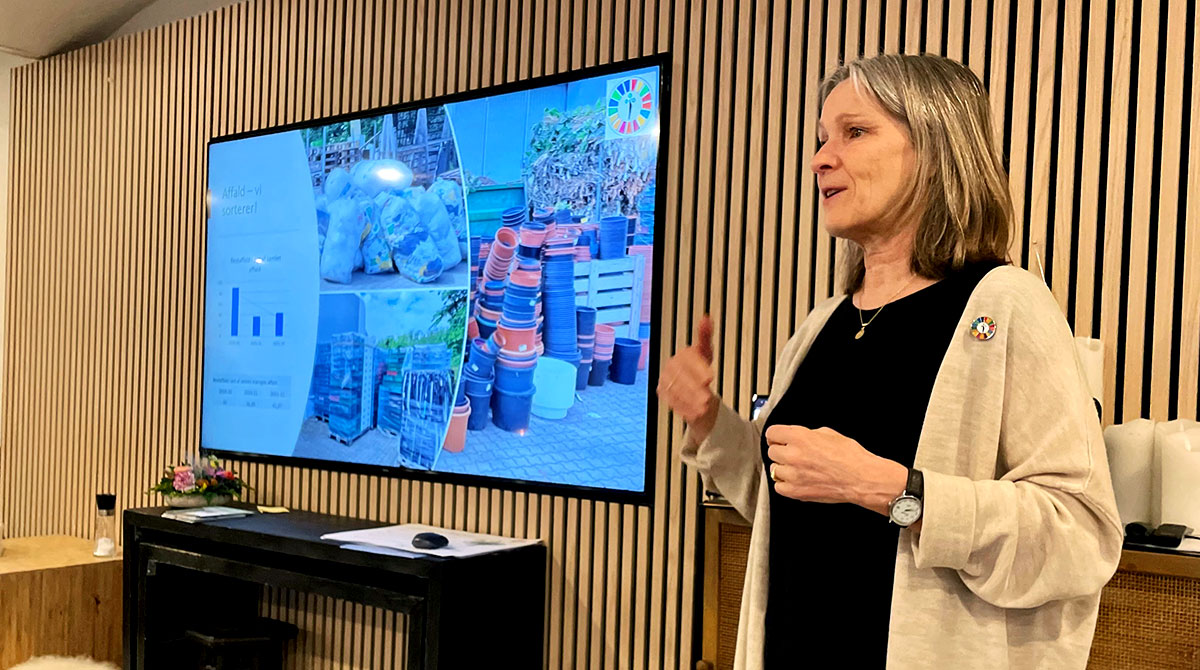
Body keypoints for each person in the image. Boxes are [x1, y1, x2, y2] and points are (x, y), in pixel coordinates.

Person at [659, 54, 1122, 669]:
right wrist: (708, 420)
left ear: (935, 147)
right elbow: (779, 499)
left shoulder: (1005, 305)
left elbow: (1082, 535)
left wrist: (896, 492)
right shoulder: (823, 323)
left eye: (854, 132)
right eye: (821, 138)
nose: (821, 158)